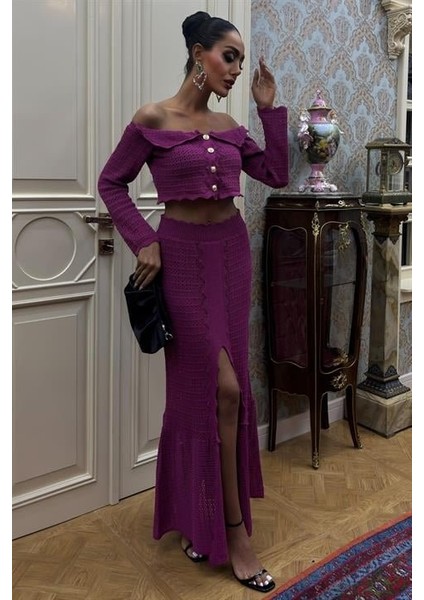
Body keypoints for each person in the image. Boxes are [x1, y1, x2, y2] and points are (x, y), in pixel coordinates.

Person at [98, 10, 288, 593]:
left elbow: (276, 173)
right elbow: (110, 183)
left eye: (240, 60)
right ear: (197, 53)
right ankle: (229, 530)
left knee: (231, 392)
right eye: (228, 56)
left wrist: (267, 109)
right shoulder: (152, 118)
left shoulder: (230, 124)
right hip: (180, 259)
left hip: (230, 255)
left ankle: (218, 524)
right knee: (211, 391)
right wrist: (144, 240)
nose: (236, 69)